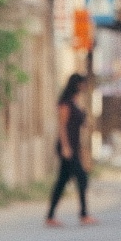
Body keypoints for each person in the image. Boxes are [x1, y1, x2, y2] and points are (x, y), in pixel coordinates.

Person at [46, 73, 93, 226]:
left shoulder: (75, 101)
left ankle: (50, 216)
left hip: (73, 146)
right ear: (76, 84)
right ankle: (83, 214)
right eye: (82, 84)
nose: (84, 87)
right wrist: (66, 147)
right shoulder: (65, 102)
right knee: (81, 177)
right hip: (67, 147)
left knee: (61, 182)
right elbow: (62, 126)